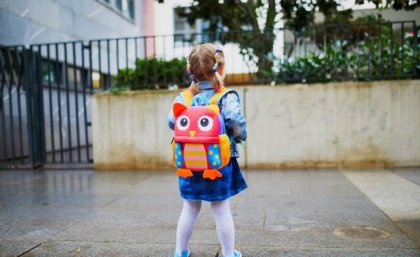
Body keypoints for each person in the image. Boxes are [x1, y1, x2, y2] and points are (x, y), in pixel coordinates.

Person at [168, 43, 248, 257]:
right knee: (221, 210)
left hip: (189, 163)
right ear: (219, 68)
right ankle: (229, 253)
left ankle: (180, 251)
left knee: (190, 208)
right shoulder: (226, 96)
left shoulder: (182, 98)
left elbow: (171, 122)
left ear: (190, 70)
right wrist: (240, 137)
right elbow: (236, 123)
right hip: (218, 162)